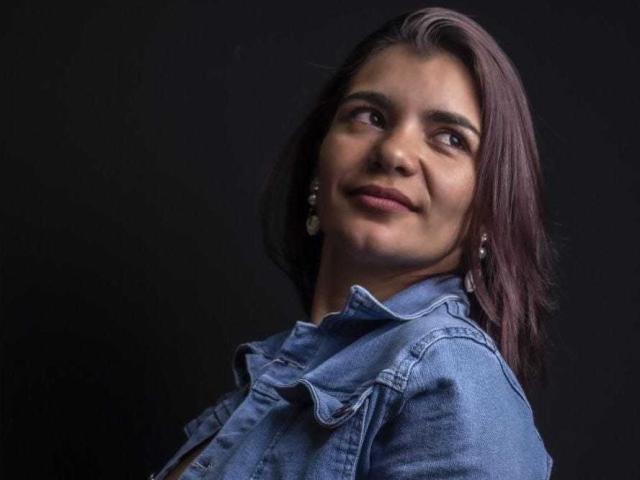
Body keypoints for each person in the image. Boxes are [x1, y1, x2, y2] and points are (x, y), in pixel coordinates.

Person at [151, 6, 557, 479]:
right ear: (318, 165)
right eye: (370, 116)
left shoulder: (452, 376)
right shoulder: (272, 378)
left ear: (488, 212)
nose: (394, 152)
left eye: (449, 138)